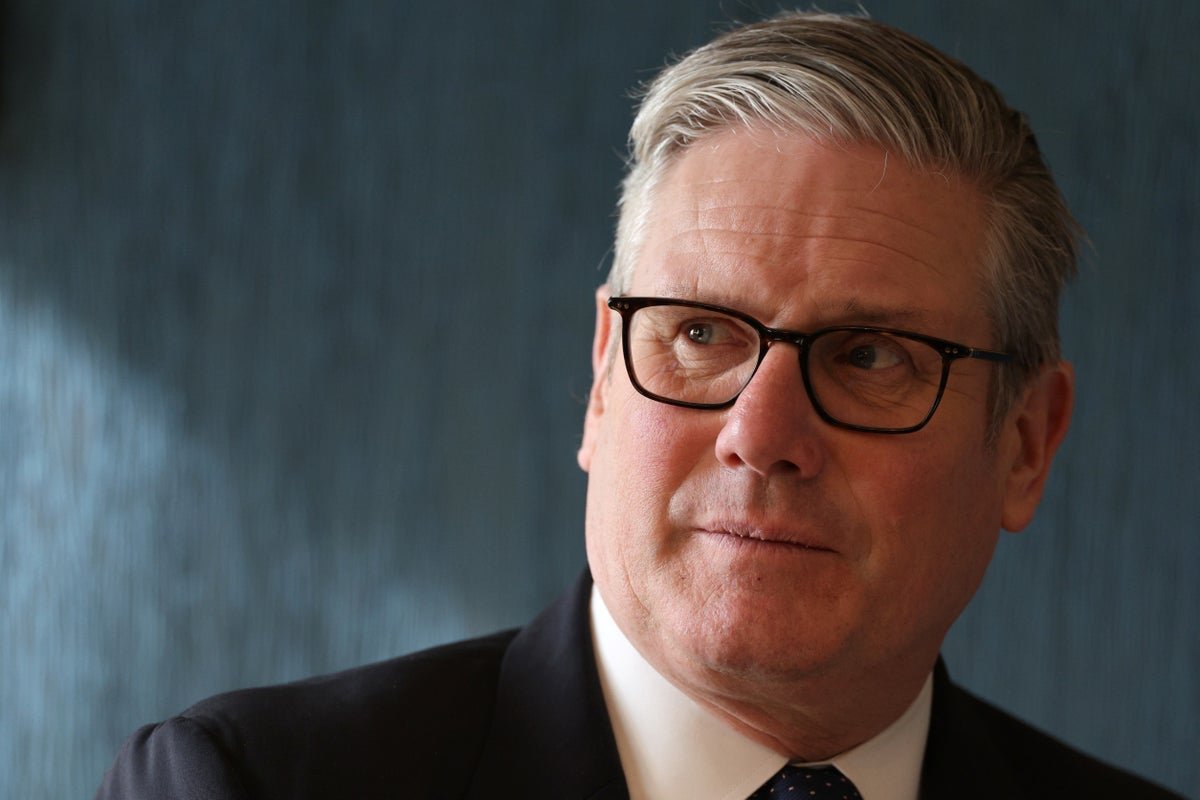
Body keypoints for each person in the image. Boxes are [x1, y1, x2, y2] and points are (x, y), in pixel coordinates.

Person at [96, 11, 1182, 800]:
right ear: (605, 376)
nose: (762, 435)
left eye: (868, 354)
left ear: (1028, 443)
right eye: (703, 333)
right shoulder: (249, 785)